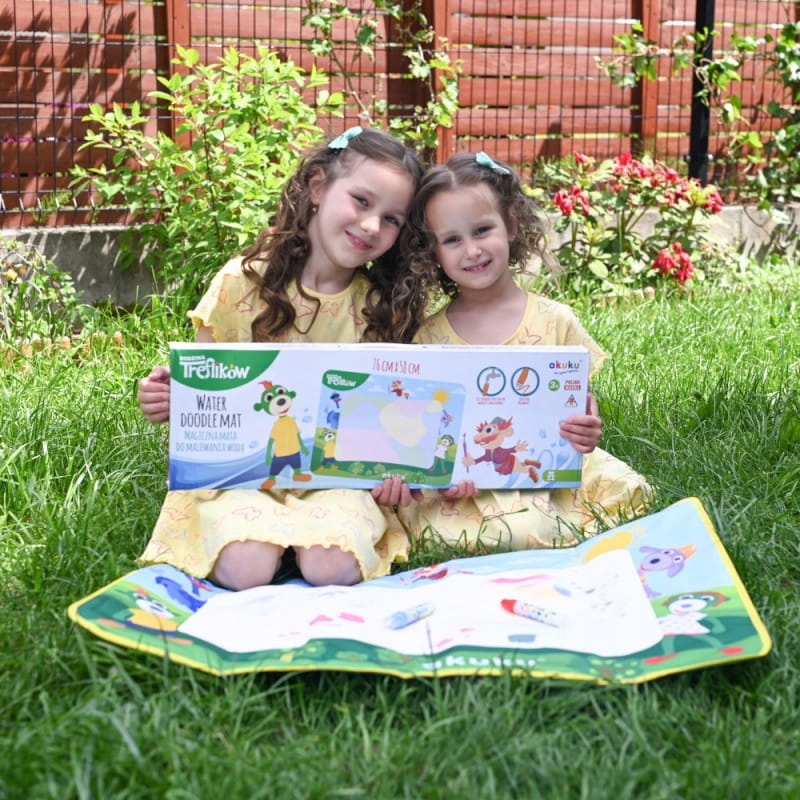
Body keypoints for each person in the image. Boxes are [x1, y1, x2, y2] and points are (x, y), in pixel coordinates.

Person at [137, 126, 426, 590]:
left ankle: (304, 542)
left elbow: (392, 421)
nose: (372, 226)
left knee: (331, 568)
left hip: (337, 484)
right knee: (245, 569)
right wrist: (169, 397)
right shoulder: (242, 282)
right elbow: (203, 390)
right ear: (318, 187)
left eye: (391, 219)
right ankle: (269, 543)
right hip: (241, 476)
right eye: (361, 201)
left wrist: (395, 471)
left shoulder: (379, 307)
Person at [397, 150, 652, 551]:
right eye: (452, 240)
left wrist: (587, 426)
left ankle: (538, 522)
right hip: (468, 482)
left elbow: (579, 403)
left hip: (542, 470)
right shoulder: (430, 338)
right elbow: (426, 433)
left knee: (630, 489)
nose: (471, 250)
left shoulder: (555, 319)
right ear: (435, 252)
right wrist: (444, 476)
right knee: (507, 531)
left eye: (482, 230)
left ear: (511, 225)